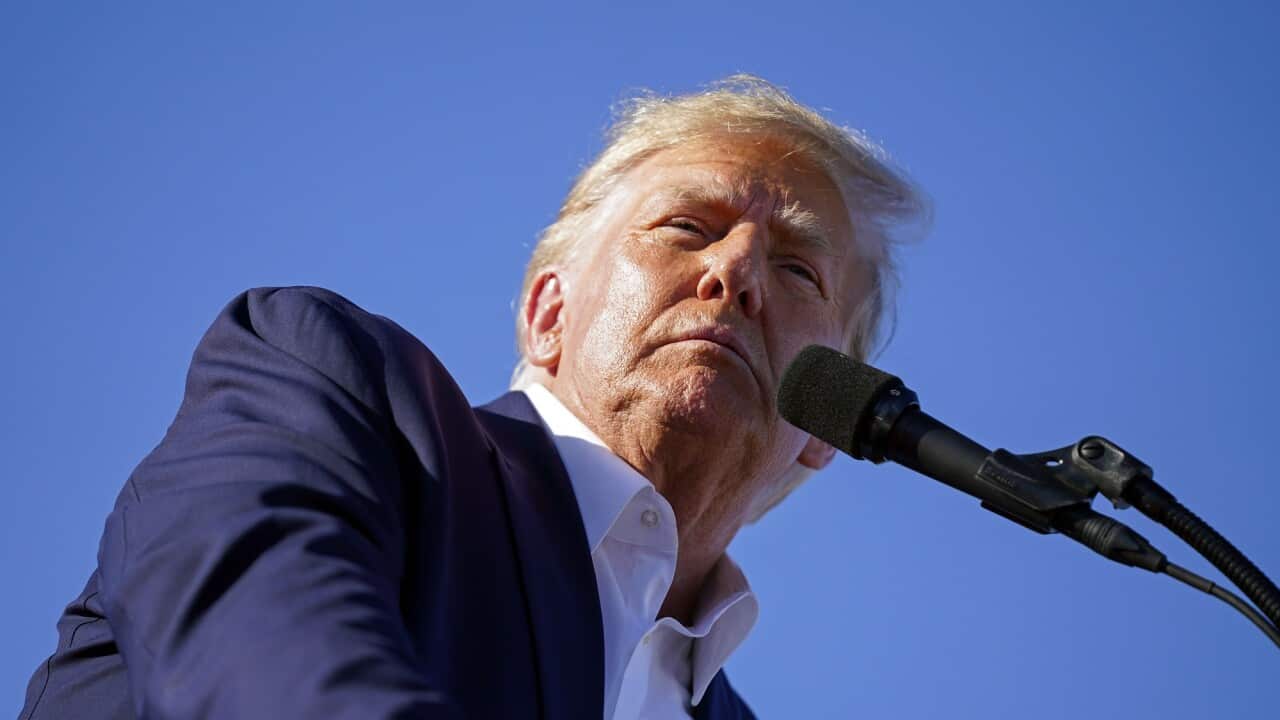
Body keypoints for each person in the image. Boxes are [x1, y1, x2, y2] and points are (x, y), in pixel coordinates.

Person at [19, 75, 927, 719]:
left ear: (829, 428)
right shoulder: (338, 391)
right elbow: (263, 660)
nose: (734, 275)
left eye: (799, 269)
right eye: (686, 227)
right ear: (549, 314)